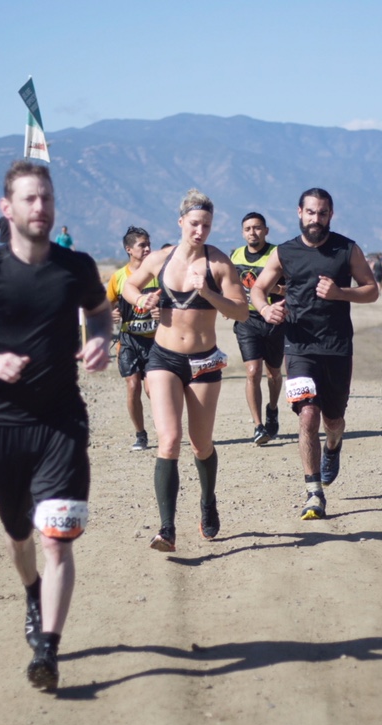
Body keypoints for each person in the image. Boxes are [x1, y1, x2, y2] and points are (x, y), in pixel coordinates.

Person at [0, 160, 111, 691]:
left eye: (47, 198)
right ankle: (33, 591)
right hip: (0, 427)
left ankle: (47, 649)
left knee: (57, 538)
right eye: (30, 199)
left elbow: (101, 311)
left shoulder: (77, 266)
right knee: (18, 538)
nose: (41, 207)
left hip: (61, 422)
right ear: (6, 207)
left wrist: (101, 337)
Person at [121, 190, 249, 551]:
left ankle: (208, 503)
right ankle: (167, 529)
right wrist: (141, 299)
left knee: (201, 443)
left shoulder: (220, 264)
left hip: (203, 361)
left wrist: (208, 293)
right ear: (181, 222)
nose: (200, 230)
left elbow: (240, 311)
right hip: (163, 358)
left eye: (206, 225)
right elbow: (129, 285)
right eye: (194, 223)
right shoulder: (161, 259)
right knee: (170, 439)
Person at [251, 187, 379, 520]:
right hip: (299, 346)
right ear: (299, 213)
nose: (316, 219)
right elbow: (258, 289)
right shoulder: (284, 252)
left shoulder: (346, 249)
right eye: (310, 212)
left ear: (330, 215)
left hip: (337, 347)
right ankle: (313, 492)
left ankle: (333, 445)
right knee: (308, 415)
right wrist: (266, 311)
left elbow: (372, 290)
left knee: (332, 420)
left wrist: (340, 292)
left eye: (322, 213)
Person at [229, 212, 285, 445]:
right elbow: (229, 285)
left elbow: (291, 289)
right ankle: (258, 426)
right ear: (243, 232)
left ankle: (272, 408)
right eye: (248, 228)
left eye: (257, 228)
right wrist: (228, 304)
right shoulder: (235, 256)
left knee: (273, 373)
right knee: (252, 371)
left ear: (266, 230)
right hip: (247, 320)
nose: (253, 232)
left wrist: (271, 291)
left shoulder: (278, 254)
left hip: (274, 320)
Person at [106, 226, 161, 450]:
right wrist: (111, 313)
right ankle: (141, 435)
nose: (148, 248)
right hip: (128, 340)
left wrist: (163, 312)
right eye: (142, 245)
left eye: (149, 244)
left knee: (152, 389)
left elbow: (174, 302)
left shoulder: (159, 274)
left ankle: (165, 431)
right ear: (129, 249)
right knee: (132, 386)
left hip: (155, 341)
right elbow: (105, 305)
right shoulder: (118, 278)